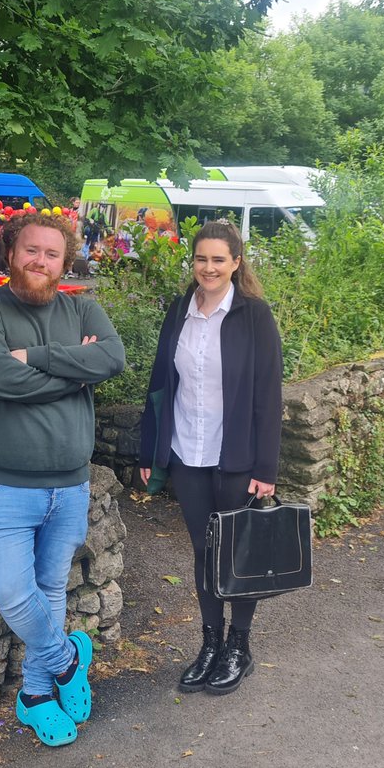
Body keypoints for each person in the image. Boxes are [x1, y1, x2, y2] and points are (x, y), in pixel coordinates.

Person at [0, 212, 125, 747]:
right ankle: (67, 657)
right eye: (31, 250)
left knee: (51, 589)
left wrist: (42, 358)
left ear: (65, 261)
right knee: (11, 589)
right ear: (9, 253)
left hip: (69, 484)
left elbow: (113, 357)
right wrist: (75, 374)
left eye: (52, 254)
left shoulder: (83, 307)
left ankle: (34, 694)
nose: (40, 261)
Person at [139, 219, 282, 696]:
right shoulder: (180, 310)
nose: (209, 267)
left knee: (237, 552)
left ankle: (239, 647)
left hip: (236, 455)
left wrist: (266, 468)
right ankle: (209, 643)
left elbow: (269, 396)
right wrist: (150, 448)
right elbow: (160, 383)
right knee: (204, 553)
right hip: (187, 453)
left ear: (236, 263)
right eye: (201, 258)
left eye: (219, 259)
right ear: (193, 262)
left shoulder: (253, 316)